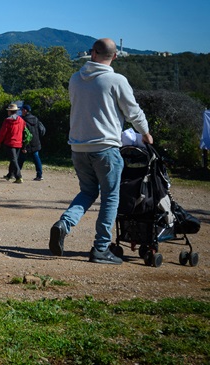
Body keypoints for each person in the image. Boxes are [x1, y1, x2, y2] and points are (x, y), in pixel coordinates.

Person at [49, 38, 153, 265]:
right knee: (110, 197)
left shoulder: (75, 79)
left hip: (78, 148)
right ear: (115, 56)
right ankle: (101, 248)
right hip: (105, 148)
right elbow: (133, 112)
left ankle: (63, 224)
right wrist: (145, 133)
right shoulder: (116, 80)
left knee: (87, 192)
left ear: (92, 53)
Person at [0, 103, 25, 183]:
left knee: (13, 160)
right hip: (19, 142)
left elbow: (2, 132)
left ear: (10, 111)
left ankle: (18, 176)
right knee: (14, 159)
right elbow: (23, 130)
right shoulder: (21, 120)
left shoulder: (7, 121)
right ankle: (10, 175)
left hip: (10, 143)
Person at [18, 104, 46, 181]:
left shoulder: (23, 120)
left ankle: (16, 173)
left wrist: (23, 146)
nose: (21, 111)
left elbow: (24, 134)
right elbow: (42, 130)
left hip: (27, 142)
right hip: (36, 142)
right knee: (36, 158)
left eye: (22, 110)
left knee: (21, 158)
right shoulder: (36, 119)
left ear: (25, 110)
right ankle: (39, 175)